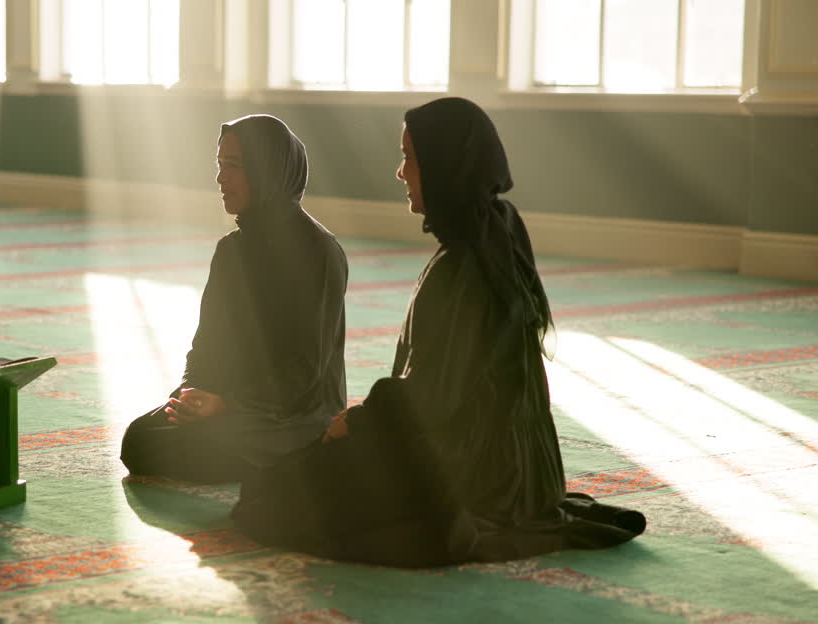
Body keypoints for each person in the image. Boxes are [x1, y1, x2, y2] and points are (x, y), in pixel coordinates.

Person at [231, 98, 646, 567]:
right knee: (292, 477)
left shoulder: (463, 266)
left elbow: (434, 400)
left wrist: (361, 422)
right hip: (511, 466)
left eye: (410, 157)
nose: (400, 172)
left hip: (471, 472)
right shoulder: (496, 233)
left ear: (444, 164)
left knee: (276, 494)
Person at [119, 115, 348, 484]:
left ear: (267, 169)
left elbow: (305, 368)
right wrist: (192, 392)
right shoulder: (232, 250)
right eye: (220, 165)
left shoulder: (317, 252)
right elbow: (207, 341)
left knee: (196, 447)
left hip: (292, 411)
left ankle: (301, 451)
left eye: (234, 166)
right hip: (227, 403)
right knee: (140, 438)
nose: (221, 178)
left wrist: (228, 404)